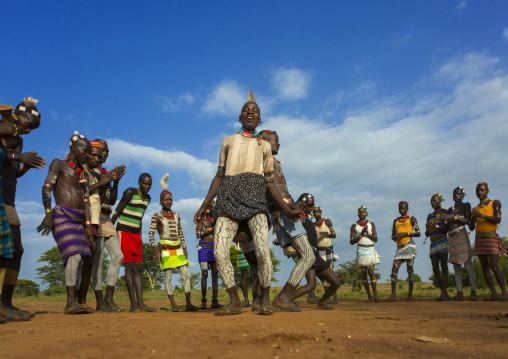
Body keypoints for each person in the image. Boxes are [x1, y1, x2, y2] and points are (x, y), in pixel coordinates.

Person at [194, 92, 301, 316]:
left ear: (259, 120)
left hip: (255, 199)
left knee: (262, 251)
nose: (250, 112)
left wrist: (287, 209)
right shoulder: (228, 141)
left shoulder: (264, 147)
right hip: (228, 197)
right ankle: (234, 301)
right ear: (239, 117)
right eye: (246, 110)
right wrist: (205, 204)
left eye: (255, 111)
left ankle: (264, 298)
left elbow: (270, 184)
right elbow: (219, 176)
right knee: (220, 251)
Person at [38, 132, 114, 313]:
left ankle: (79, 301)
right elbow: (47, 187)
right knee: (74, 255)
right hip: (63, 214)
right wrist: (48, 213)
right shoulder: (59, 164)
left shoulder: (82, 171)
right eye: (85, 151)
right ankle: (70, 302)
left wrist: (88, 224)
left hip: (81, 219)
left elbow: (86, 198)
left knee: (85, 259)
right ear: (73, 148)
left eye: (89, 151)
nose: (88, 154)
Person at [256, 129, 314, 312]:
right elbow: (270, 190)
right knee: (308, 256)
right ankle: (282, 297)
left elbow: (279, 191)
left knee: (306, 257)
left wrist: (293, 205)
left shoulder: (273, 162)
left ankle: (283, 297)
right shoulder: (264, 162)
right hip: (283, 214)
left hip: (284, 213)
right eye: (275, 140)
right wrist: (287, 208)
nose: (278, 143)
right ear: (265, 142)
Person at [0, 98, 46, 318]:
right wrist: (18, 156)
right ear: (16, 117)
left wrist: (25, 166)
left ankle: (6, 303)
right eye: (27, 125)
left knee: (16, 251)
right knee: (6, 251)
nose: (28, 131)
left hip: (9, 200)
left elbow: (12, 172)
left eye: (32, 129)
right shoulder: (2, 131)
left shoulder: (17, 141)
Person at [280, 193, 341, 310]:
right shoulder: (299, 218)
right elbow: (290, 232)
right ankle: (283, 300)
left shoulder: (306, 217)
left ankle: (322, 302)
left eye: (313, 205)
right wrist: (286, 245)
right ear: (302, 204)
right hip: (306, 254)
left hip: (315, 254)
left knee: (336, 282)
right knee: (311, 285)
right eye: (310, 205)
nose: (312, 207)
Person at [150, 174, 198, 312]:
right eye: (166, 200)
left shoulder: (176, 215)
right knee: (168, 276)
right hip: (165, 248)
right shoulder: (156, 216)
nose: (169, 201)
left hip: (177, 248)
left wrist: (185, 248)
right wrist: (155, 249)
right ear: (161, 201)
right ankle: (173, 304)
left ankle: (188, 304)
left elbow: (181, 232)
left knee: (185, 274)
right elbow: (151, 233)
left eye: (170, 199)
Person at [112, 173, 155, 312]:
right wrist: (110, 229)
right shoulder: (130, 192)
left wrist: (140, 237)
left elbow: (140, 218)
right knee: (129, 267)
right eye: (145, 183)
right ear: (139, 182)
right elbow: (118, 211)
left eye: (149, 185)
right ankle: (133, 304)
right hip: (123, 232)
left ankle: (141, 303)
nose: (147, 186)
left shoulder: (148, 199)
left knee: (138, 268)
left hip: (136, 235)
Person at [91, 139, 126, 311]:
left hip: (106, 217)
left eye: (107, 152)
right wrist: (106, 179)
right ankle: (99, 302)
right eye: (102, 151)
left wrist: (116, 181)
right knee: (99, 258)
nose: (105, 154)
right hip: (94, 215)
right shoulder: (89, 170)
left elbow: (111, 200)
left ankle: (109, 299)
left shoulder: (106, 173)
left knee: (118, 256)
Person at [468, 182, 508, 301]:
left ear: (487, 191)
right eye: (478, 191)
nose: (480, 192)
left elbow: (497, 219)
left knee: (494, 266)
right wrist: (472, 218)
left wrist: (481, 215)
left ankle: (504, 293)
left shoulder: (494, 203)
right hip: (479, 239)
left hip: (491, 238)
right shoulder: (475, 209)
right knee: (484, 267)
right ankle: (494, 294)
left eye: (482, 190)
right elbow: (471, 227)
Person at [440, 187, 477, 301]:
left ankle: (473, 292)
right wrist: (439, 222)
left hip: (461, 234)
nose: (456, 195)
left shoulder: (466, 205)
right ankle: (460, 293)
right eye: (455, 193)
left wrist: (451, 217)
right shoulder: (449, 209)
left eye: (459, 193)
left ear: (463, 195)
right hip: (452, 237)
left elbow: (467, 220)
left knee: (467, 264)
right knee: (456, 266)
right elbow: (446, 227)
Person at [385, 201, 420, 302]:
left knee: (409, 269)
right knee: (394, 270)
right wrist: (395, 237)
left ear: (407, 208)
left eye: (404, 208)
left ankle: (410, 295)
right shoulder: (395, 221)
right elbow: (393, 236)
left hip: (409, 246)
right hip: (399, 248)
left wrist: (405, 234)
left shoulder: (412, 219)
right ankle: (393, 296)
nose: (402, 210)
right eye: (400, 208)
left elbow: (418, 234)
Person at [350, 206, 381, 303]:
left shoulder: (371, 224)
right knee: (363, 274)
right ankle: (369, 297)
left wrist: (367, 233)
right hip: (361, 249)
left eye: (363, 212)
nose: (361, 213)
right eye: (360, 212)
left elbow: (376, 239)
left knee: (371, 272)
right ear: (358, 214)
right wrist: (360, 234)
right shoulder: (354, 226)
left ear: (366, 213)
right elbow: (351, 241)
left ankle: (375, 296)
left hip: (370, 248)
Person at [308, 206, 338, 304]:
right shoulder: (312, 225)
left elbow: (334, 235)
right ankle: (327, 296)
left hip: (329, 250)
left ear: (320, 212)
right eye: (314, 212)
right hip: (320, 251)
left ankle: (334, 296)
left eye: (317, 211)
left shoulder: (327, 222)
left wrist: (326, 234)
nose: (316, 213)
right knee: (323, 275)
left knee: (331, 274)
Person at [195, 200, 221, 310]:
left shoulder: (218, 221)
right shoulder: (202, 219)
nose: (214, 209)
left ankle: (214, 301)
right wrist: (210, 229)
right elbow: (198, 234)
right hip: (204, 248)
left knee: (215, 274)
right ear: (209, 208)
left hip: (214, 248)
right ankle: (203, 301)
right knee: (204, 273)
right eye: (213, 207)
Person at [425, 194, 450, 301]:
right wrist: (428, 228)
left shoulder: (444, 212)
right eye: (432, 201)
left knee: (443, 266)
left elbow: (447, 228)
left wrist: (436, 226)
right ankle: (444, 292)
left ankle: (443, 293)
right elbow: (427, 234)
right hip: (433, 243)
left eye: (435, 201)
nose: (433, 203)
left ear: (440, 201)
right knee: (435, 269)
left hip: (442, 240)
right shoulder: (429, 216)